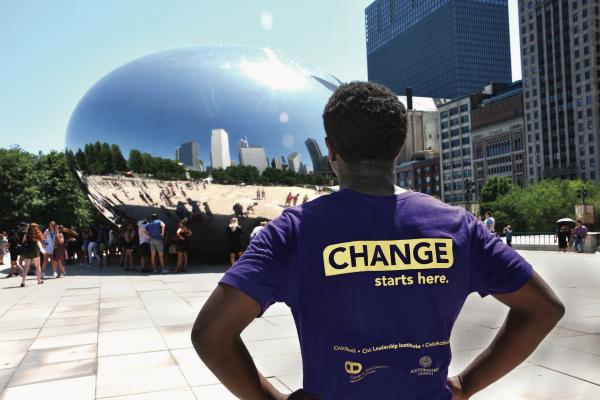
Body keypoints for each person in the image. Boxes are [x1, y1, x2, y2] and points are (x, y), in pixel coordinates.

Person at [191, 82, 565, 400]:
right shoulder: (458, 226)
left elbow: (211, 334)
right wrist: (467, 385)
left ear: (331, 150)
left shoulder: (293, 232)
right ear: (398, 148)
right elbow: (544, 308)